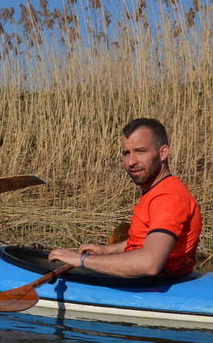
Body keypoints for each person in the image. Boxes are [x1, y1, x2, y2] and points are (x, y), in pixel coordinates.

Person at [48, 118, 201, 278]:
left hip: (155, 284)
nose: (131, 162)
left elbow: (149, 264)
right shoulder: (158, 190)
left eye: (140, 151)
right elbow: (144, 241)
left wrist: (82, 260)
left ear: (163, 152)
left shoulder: (168, 198)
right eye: (126, 153)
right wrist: (108, 250)